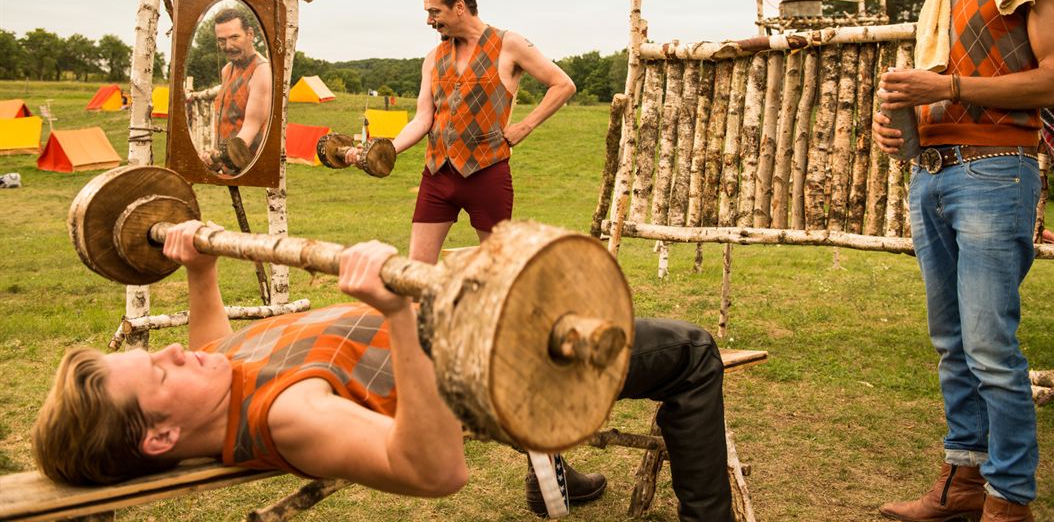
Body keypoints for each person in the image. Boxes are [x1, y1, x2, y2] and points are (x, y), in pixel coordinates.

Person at [32, 222, 734, 521]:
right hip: (497, 351)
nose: (171, 350)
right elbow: (436, 474)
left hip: (462, 310)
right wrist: (395, 313)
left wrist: (202, 269)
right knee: (694, 354)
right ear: (159, 438)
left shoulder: (214, 382)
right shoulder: (294, 415)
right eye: (156, 371)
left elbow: (216, 346)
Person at [872, 0, 1054, 522]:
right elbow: (941, 84)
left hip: (996, 168)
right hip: (930, 169)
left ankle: (1009, 499)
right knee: (951, 344)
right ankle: (960, 484)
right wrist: (898, 122)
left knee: (990, 344)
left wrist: (949, 87)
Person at [348, 0, 576, 263]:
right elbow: (422, 119)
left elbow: (563, 84)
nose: (429, 20)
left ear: (459, 7)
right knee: (416, 272)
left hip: (488, 173)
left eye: (434, 12)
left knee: (498, 270)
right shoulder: (433, 57)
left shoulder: (510, 44)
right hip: (437, 176)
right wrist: (383, 149)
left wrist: (525, 126)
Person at [198, 8, 272, 174]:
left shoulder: (262, 71)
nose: (228, 46)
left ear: (250, 34)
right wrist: (216, 155)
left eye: (234, 37)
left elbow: (251, 127)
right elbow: (228, 119)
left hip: (248, 168)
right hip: (228, 164)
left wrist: (221, 156)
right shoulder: (227, 70)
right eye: (222, 40)